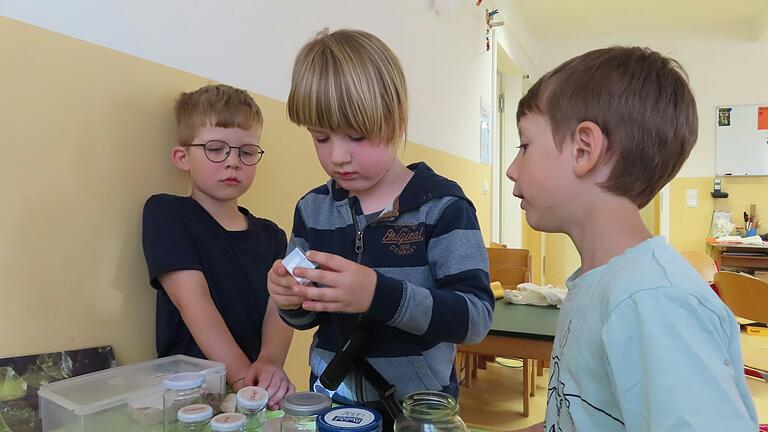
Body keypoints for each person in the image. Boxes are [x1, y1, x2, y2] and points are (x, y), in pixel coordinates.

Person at [508, 47, 757, 431]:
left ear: (583, 149)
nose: (511, 169)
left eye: (525, 146)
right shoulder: (603, 284)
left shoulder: (650, 298)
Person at [267, 28, 494, 416]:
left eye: (356, 135)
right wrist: (289, 299)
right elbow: (307, 315)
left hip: (417, 411)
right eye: (321, 138)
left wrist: (379, 295)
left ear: (395, 119)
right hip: (332, 404)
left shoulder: (442, 207)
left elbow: (474, 318)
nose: (338, 156)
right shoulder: (313, 209)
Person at [142, 84, 294, 409]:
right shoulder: (166, 214)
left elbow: (281, 308)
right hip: (190, 396)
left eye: (247, 152)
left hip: (254, 395)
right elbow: (192, 301)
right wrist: (243, 380)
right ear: (182, 157)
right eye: (215, 149)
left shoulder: (273, 236)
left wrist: (268, 366)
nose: (233, 162)